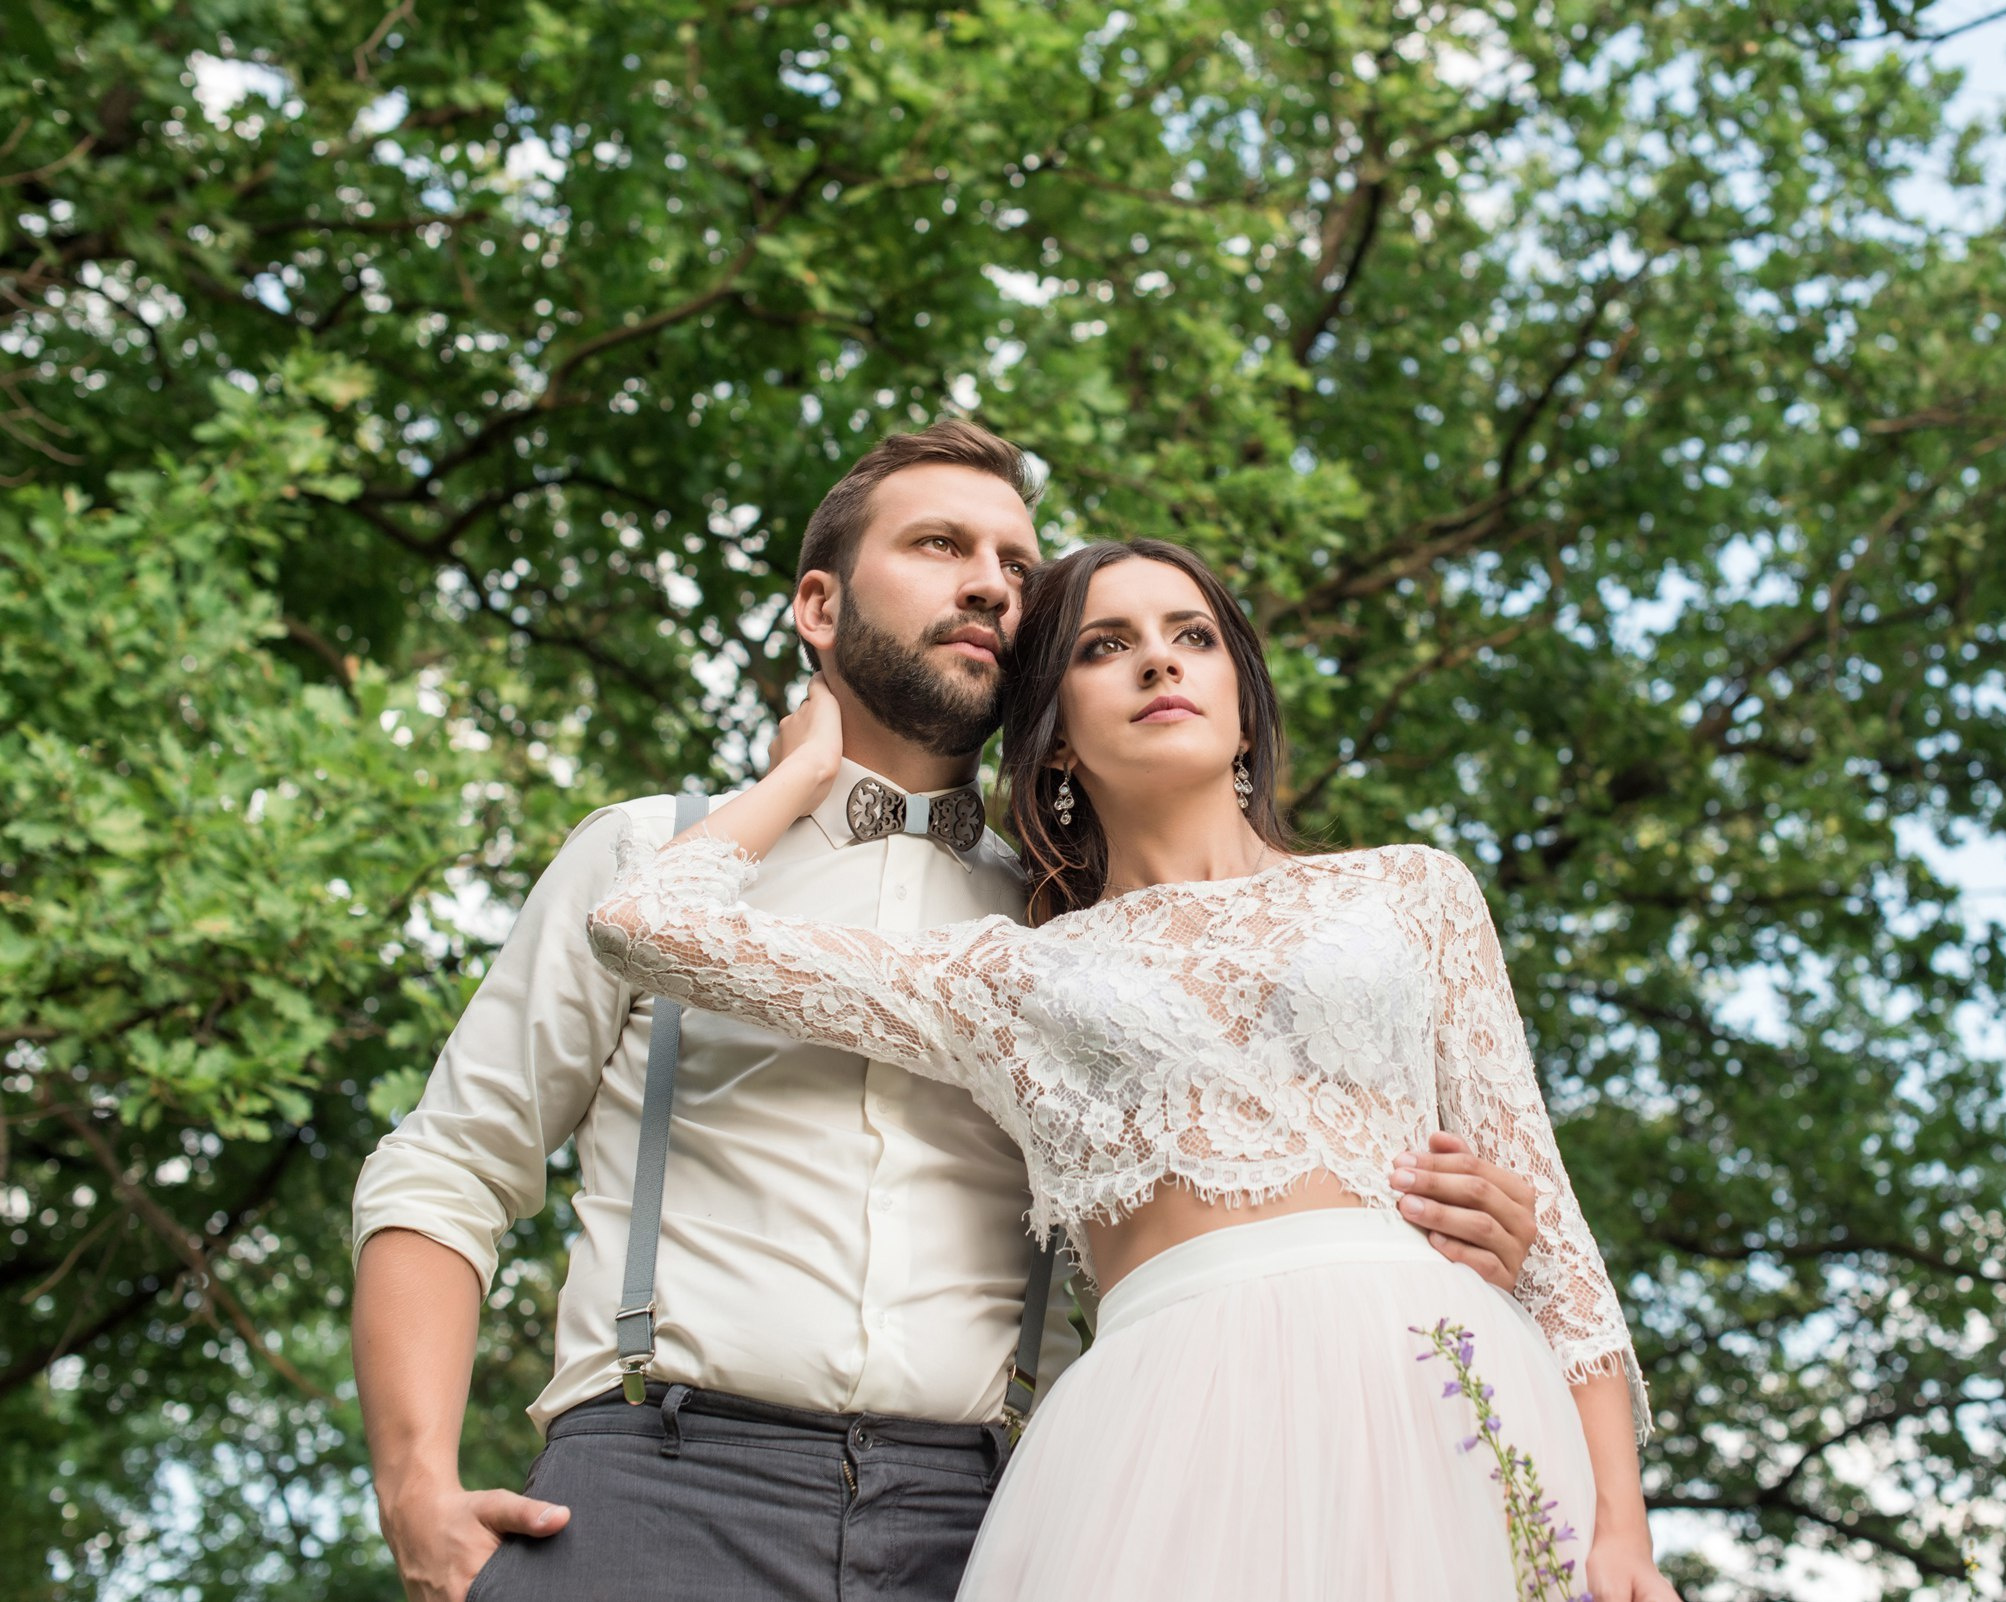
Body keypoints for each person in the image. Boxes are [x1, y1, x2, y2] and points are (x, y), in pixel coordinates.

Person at [349, 423, 1551, 1602]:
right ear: (819, 608)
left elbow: (1240, 1172)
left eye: (1017, 568)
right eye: (937, 545)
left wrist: (1446, 1220)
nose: (987, 583)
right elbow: (450, 1166)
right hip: (661, 1488)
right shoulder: (650, 851)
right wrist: (416, 1491)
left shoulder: (1077, 942)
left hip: (997, 1517)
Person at [584, 535, 1680, 1601]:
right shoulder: (1003, 978)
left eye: (1191, 635)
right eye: (1104, 646)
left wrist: (1622, 1530)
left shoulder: (1413, 894)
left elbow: (1558, 1250)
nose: (1159, 659)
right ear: (1055, 740)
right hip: (1169, 1434)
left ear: (1243, 699)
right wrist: (809, 769)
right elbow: (641, 922)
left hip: (1440, 1389)